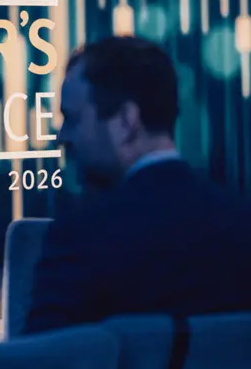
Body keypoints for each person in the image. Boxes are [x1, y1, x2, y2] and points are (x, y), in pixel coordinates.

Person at [24, 36, 251, 334]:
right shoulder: (241, 222)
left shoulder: (80, 238)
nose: (62, 137)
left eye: (73, 119)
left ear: (126, 121)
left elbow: (42, 358)